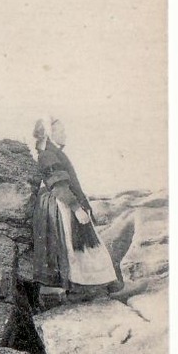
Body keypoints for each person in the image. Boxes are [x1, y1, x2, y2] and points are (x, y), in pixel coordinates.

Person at [32, 117, 118, 301]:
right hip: (62, 205)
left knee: (79, 249)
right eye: (61, 131)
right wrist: (76, 208)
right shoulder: (48, 154)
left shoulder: (53, 152)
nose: (65, 134)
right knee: (72, 248)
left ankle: (86, 289)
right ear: (49, 133)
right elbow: (58, 186)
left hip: (66, 202)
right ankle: (82, 290)